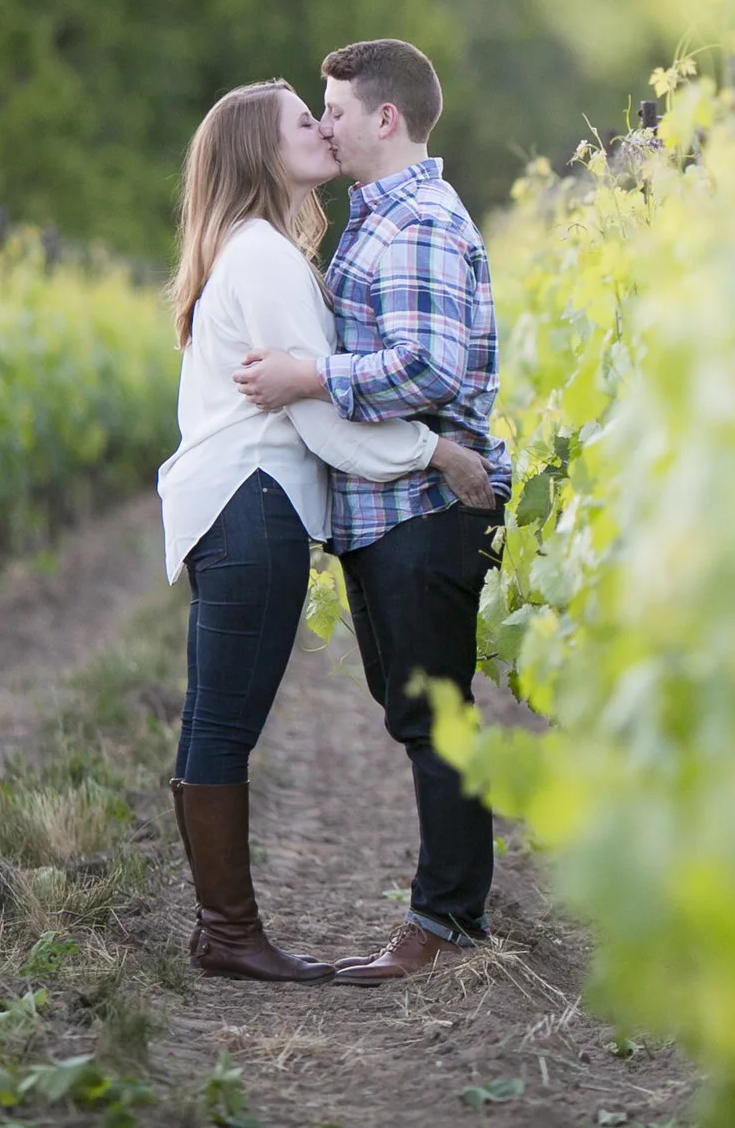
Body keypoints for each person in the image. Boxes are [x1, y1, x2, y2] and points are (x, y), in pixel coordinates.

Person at [157, 79, 494, 983]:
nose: (322, 127)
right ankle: (229, 934)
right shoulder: (265, 255)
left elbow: (325, 390)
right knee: (223, 723)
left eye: (326, 111)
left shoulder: (254, 247)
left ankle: (224, 930)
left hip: (240, 506)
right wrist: (436, 452)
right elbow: (323, 422)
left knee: (217, 720)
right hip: (253, 503)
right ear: (262, 153)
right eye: (304, 120)